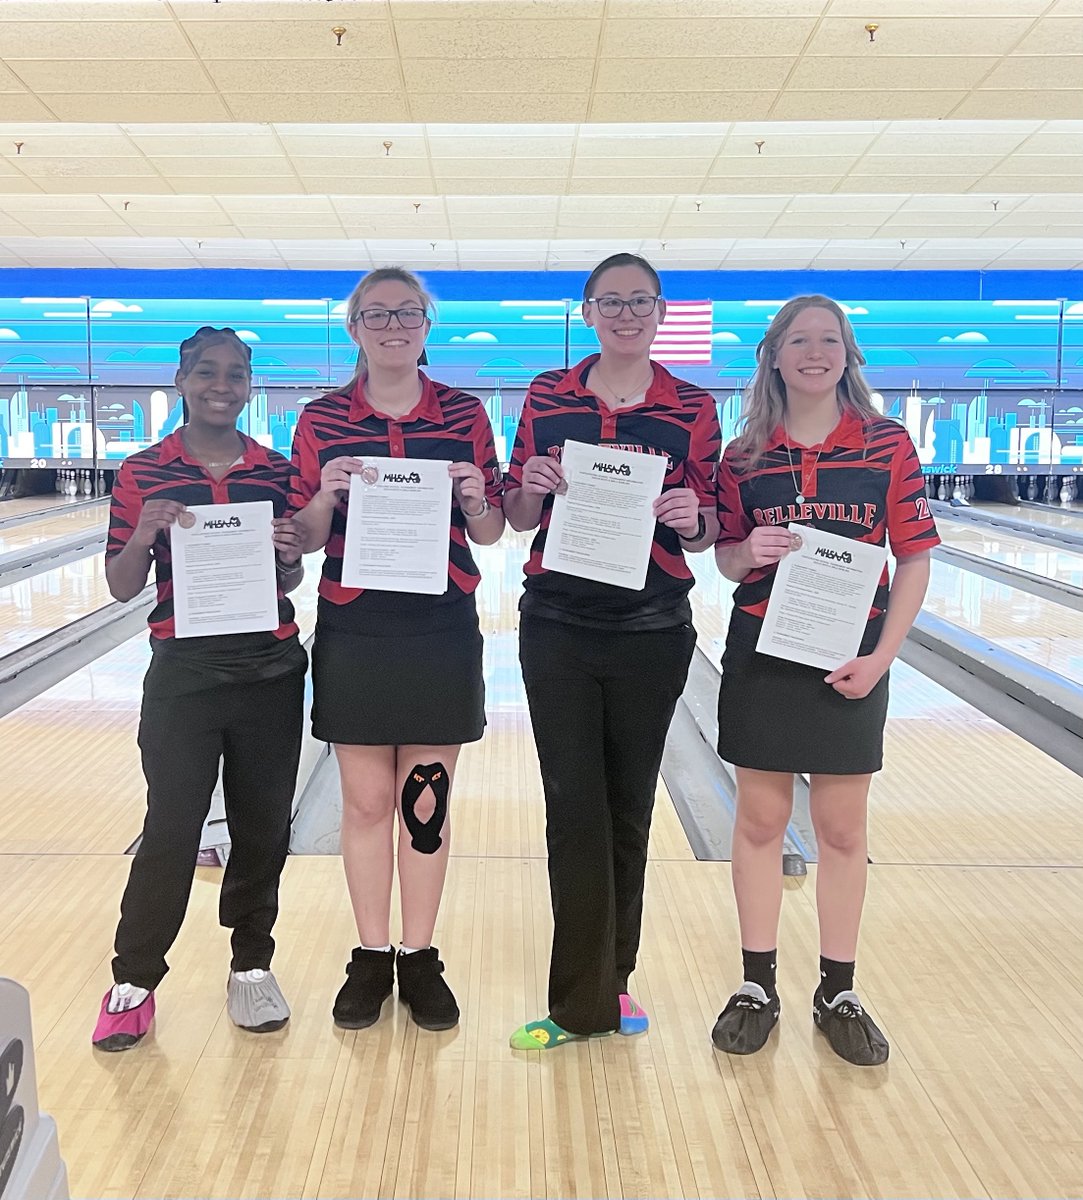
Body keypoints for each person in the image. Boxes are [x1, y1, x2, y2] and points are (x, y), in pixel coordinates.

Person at [710, 295, 940, 1066]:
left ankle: (837, 989)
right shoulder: (743, 457)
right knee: (758, 825)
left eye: (829, 341)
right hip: (763, 656)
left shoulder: (885, 445)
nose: (815, 352)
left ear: (847, 354)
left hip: (851, 659)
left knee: (842, 832)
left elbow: (913, 557)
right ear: (772, 356)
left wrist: (881, 658)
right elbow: (726, 559)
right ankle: (755, 987)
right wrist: (747, 554)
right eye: (798, 341)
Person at [504, 252, 721, 1050]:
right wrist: (527, 481)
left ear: (659, 312)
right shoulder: (546, 394)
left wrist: (688, 510)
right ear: (587, 311)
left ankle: (616, 982)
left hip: (653, 631)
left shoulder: (692, 406)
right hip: (558, 624)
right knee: (573, 811)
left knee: (628, 811)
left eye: (639, 301)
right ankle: (576, 1005)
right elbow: (519, 515)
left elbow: (704, 534)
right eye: (609, 301)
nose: (624, 313)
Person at [289, 267, 504, 1032]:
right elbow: (307, 539)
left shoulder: (464, 413)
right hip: (356, 626)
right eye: (375, 315)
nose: (392, 326)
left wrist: (476, 496)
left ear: (425, 325)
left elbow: (489, 530)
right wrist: (324, 494)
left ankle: (419, 957)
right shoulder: (320, 421)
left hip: (438, 625)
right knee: (366, 800)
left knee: (423, 804)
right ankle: (369, 955)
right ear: (354, 329)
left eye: (406, 313)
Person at [92, 326, 308, 1052]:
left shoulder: (274, 472)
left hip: (270, 671)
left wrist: (286, 559)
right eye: (207, 373)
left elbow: (289, 580)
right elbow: (122, 585)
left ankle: (251, 963)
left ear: (250, 386)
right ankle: (134, 977)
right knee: (171, 826)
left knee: (262, 827)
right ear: (182, 381)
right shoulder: (143, 471)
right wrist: (143, 532)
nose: (222, 384)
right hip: (184, 675)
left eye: (236, 374)